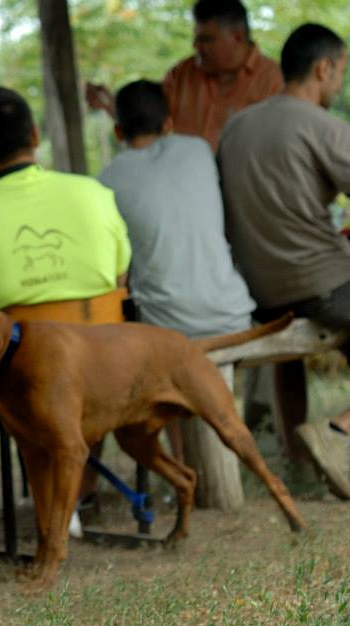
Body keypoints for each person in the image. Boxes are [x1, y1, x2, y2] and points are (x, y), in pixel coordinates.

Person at [0, 86, 131, 538]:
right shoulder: (96, 193)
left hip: (11, 389)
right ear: (35, 135)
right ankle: (81, 492)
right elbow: (119, 278)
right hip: (100, 375)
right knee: (65, 353)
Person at [218, 23, 350, 499]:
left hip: (259, 293)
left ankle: (297, 461)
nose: (339, 84)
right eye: (341, 73)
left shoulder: (236, 127)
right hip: (322, 284)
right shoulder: (322, 126)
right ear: (323, 68)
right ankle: (339, 431)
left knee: (288, 358)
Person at [97, 79, 255, 460]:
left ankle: (182, 463)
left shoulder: (107, 182)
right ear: (168, 123)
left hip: (170, 328)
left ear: (118, 131)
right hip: (233, 314)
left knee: (157, 349)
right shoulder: (199, 151)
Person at [86, 0, 282, 151]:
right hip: (189, 190)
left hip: (247, 194)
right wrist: (112, 106)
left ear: (237, 37)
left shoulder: (275, 80)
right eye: (196, 38)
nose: (196, 46)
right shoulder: (182, 75)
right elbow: (147, 123)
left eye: (206, 39)